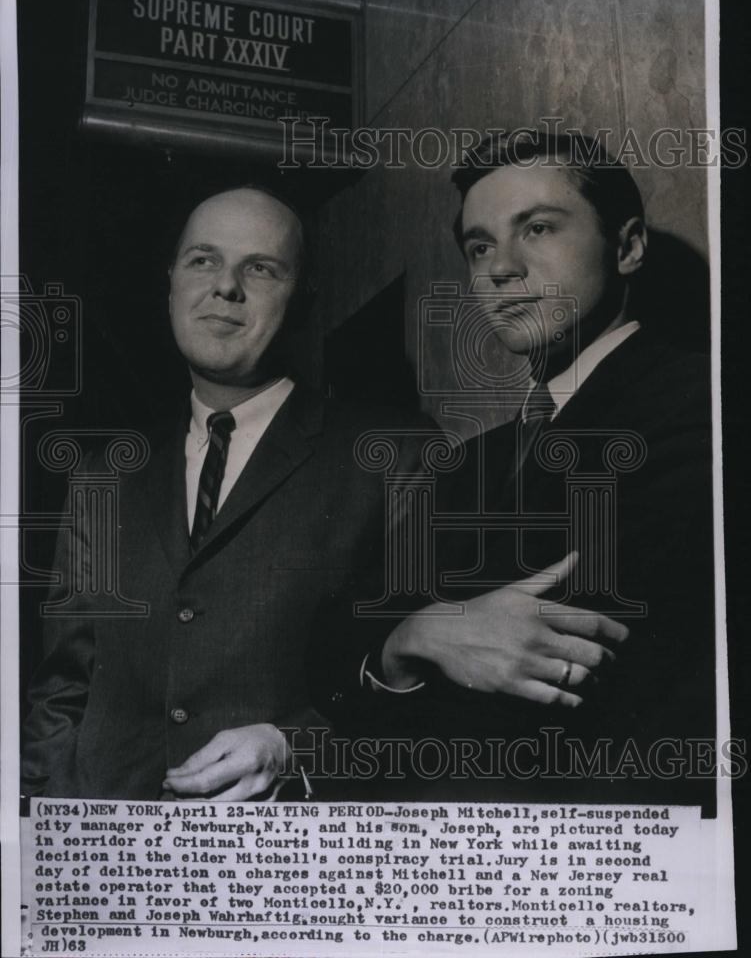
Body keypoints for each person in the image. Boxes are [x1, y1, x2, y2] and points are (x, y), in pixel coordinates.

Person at [312, 132, 715, 805]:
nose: (500, 268)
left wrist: (422, 629)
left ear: (627, 246)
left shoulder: (702, 407)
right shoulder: (469, 463)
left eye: (536, 228)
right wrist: (419, 633)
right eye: (478, 246)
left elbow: (622, 667)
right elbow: (328, 645)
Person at [20, 183, 432, 801]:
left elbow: (418, 696)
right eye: (203, 260)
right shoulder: (103, 476)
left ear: (305, 302)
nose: (225, 287)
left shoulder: (395, 454)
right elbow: (64, 686)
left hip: (281, 865)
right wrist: (42, 828)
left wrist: (300, 751)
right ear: (171, 286)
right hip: (106, 861)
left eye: (260, 269)